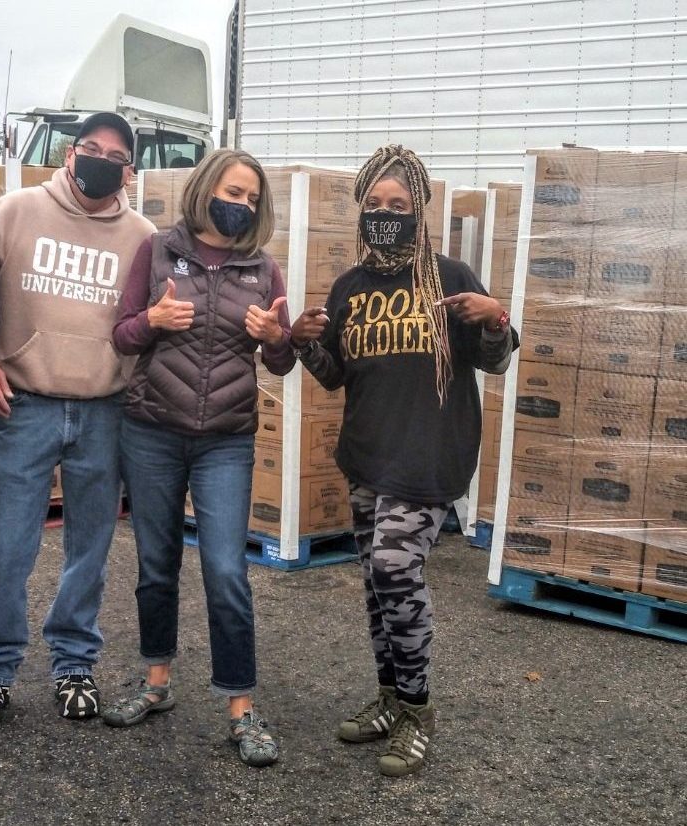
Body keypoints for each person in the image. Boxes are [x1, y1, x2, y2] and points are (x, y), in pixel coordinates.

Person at [289, 144, 518, 777]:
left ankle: (418, 710)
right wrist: (307, 346)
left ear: (419, 212)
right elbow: (336, 376)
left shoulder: (451, 278)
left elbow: (495, 360)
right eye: (375, 204)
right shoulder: (350, 288)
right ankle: (390, 698)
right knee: (374, 586)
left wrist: (495, 319)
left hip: (429, 454)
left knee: (394, 568)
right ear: (361, 209)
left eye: (400, 205)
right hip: (368, 455)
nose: (386, 213)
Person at [0, 112, 155, 726]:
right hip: (26, 404)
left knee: (89, 552)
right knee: (6, 547)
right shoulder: (12, 214)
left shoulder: (145, 238)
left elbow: (157, 322)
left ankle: (74, 664)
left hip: (106, 411)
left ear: (129, 170)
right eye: (88, 148)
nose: (98, 160)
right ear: (70, 154)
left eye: (114, 155)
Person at [104, 148, 295, 768]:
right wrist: (154, 319)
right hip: (152, 432)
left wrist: (275, 339)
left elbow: (282, 361)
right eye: (231, 191)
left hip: (227, 442)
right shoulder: (157, 250)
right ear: (206, 187)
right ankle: (156, 683)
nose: (239, 204)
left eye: (250, 198)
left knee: (225, 572)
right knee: (156, 566)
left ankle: (240, 707)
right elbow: (122, 333)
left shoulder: (264, 271)